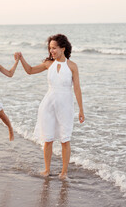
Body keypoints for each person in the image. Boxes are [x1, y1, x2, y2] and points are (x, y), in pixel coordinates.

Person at [15, 34, 84, 179]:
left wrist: (81, 110)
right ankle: (47, 169)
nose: (51, 51)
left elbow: (77, 88)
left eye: (54, 48)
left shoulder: (72, 66)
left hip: (65, 105)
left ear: (63, 48)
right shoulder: (48, 63)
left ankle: (64, 172)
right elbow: (30, 70)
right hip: (48, 104)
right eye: (50, 48)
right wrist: (21, 59)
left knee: (65, 139)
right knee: (48, 138)